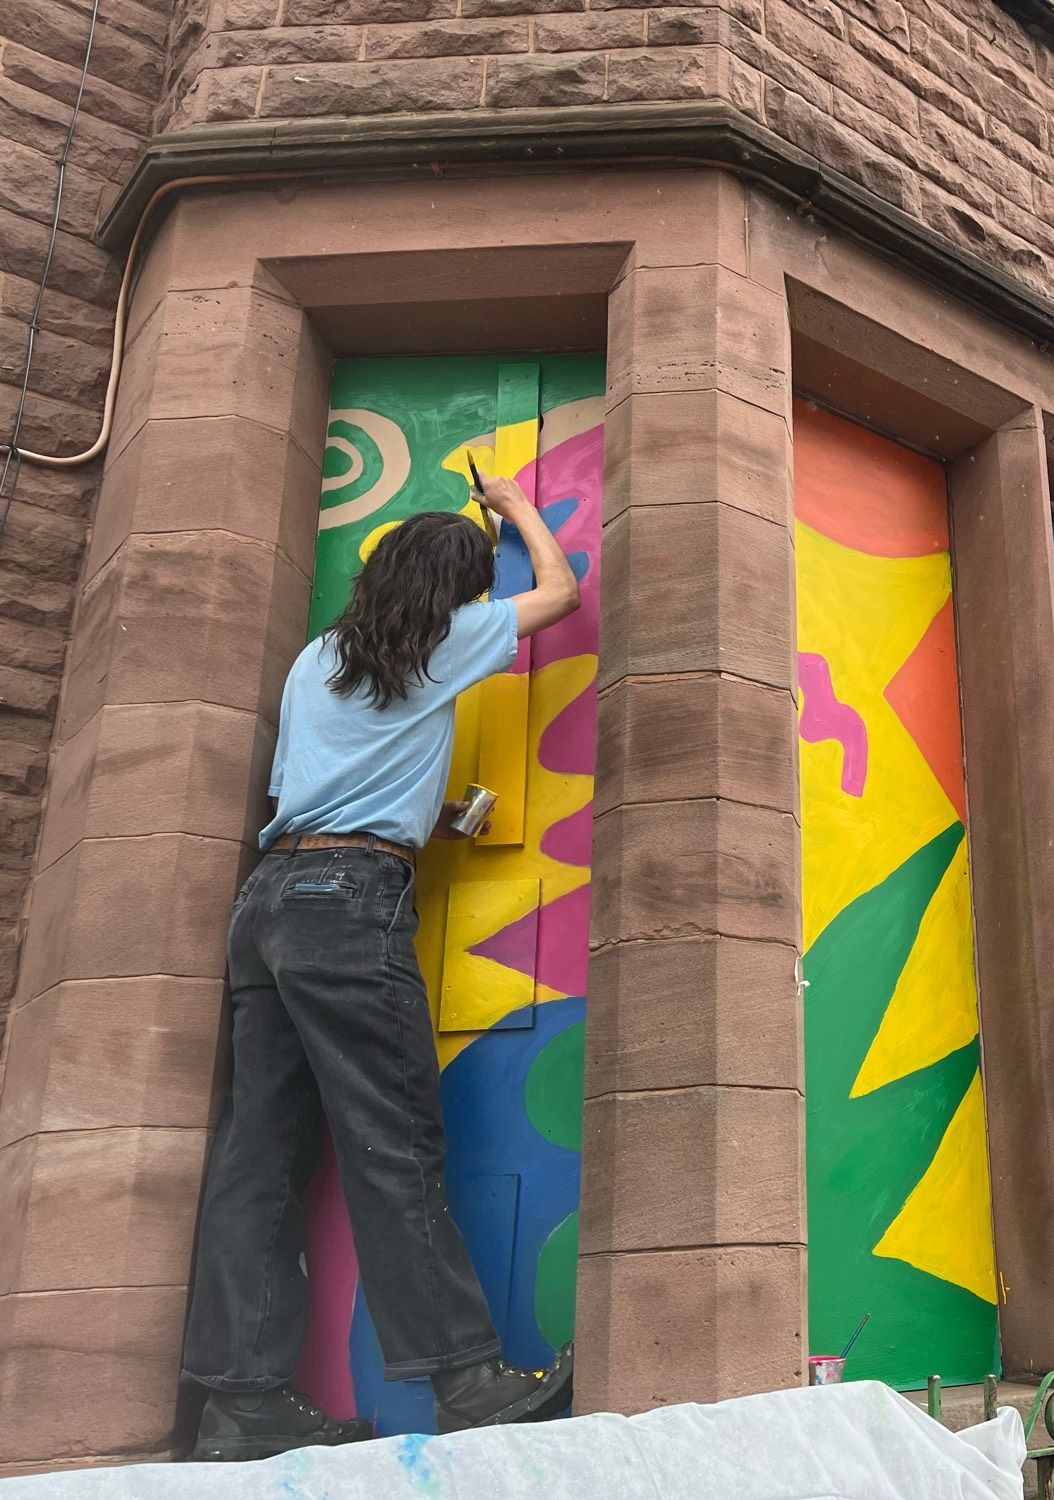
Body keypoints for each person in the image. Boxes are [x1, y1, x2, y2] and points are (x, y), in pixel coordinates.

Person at [179, 474, 581, 1462]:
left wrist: (420, 815)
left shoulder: (317, 660)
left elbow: (313, 789)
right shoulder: (445, 645)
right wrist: (512, 509)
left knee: (257, 1158)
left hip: (270, 902)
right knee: (393, 1146)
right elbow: (563, 593)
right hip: (352, 908)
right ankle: (468, 1380)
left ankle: (242, 1402)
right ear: (454, 591)